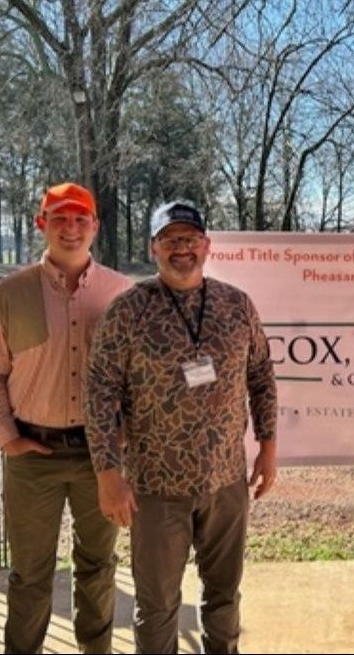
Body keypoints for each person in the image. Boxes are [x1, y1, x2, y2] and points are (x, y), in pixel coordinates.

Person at [85, 200, 278, 654]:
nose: (182, 249)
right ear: (154, 247)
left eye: (190, 239)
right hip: (155, 486)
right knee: (156, 608)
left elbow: (262, 375)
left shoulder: (236, 304)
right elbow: (99, 394)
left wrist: (267, 447)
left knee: (224, 598)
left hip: (226, 482)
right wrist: (108, 475)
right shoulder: (128, 310)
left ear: (207, 245)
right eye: (171, 239)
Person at [0, 182, 132, 654]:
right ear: (42, 224)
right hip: (31, 456)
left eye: (81, 218)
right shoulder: (8, 295)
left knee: (98, 567)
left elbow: (138, 381)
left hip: (99, 457)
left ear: (96, 227)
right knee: (30, 575)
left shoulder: (122, 294)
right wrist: (8, 438)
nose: (71, 228)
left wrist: (124, 441)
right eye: (59, 218)